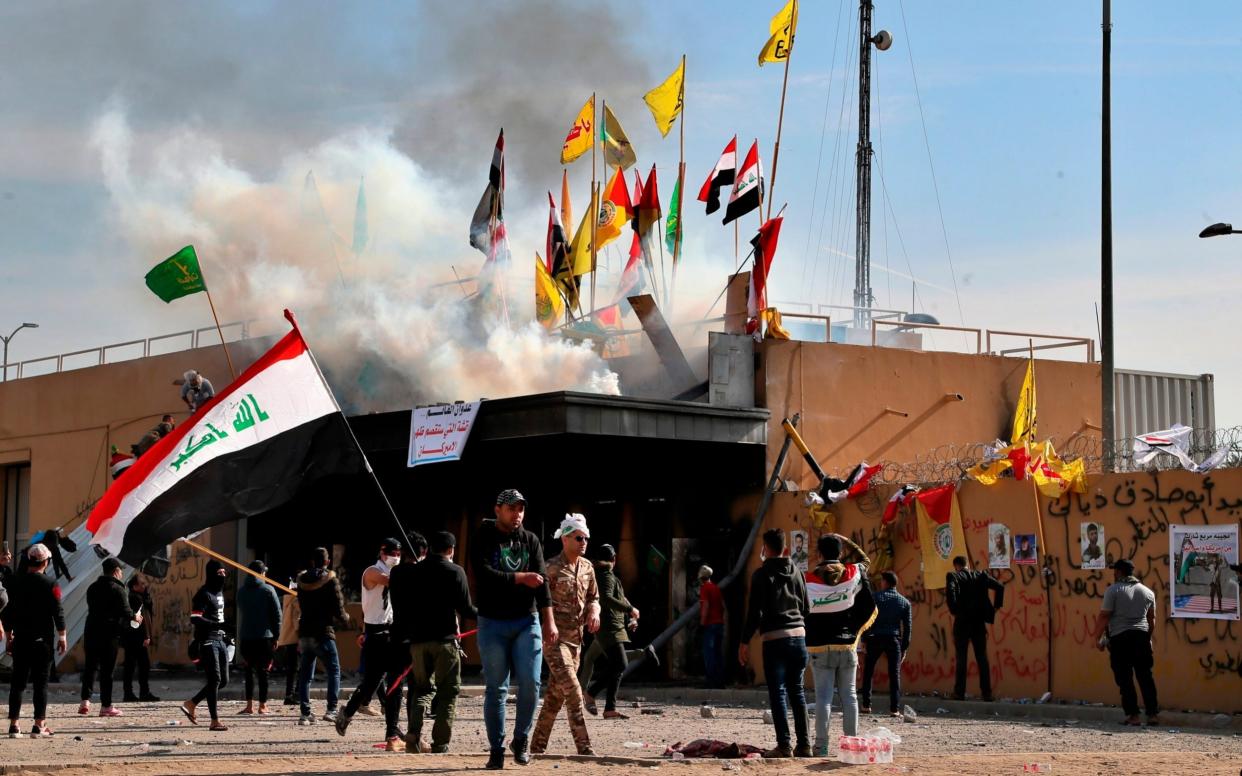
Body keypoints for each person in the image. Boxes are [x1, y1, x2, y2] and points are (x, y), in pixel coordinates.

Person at [471, 488, 556, 770]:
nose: (517, 514)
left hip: (526, 620)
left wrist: (549, 621)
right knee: (497, 689)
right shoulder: (483, 536)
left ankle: (521, 739)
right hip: (492, 622)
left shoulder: (530, 540)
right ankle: (496, 748)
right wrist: (521, 578)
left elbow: (542, 583)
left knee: (531, 684)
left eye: (521, 509)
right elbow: (484, 575)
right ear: (498, 510)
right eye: (512, 509)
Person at [399, 530, 476, 753]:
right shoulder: (456, 571)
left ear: (430, 548)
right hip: (445, 641)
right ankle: (440, 743)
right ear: (451, 550)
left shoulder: (414, 572)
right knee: (448, 692)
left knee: (422, 689)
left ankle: (414, 732)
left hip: (418, 642)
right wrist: (491, 615)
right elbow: (466, 609)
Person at [531, 514, 600, 756]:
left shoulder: (588, 568)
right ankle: (584, 747)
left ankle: (536, 747)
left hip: (576, 643)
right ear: (566, 539)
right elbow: (536, 601)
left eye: (586, 538)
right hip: (554, 641)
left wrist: (594, 610)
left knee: (554, 699)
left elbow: (594, 597)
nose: (584, 542)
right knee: (573, 690)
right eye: (579, 538)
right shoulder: (550, 568)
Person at [740, 528, 811, 759]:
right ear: (786, 548)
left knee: (778, 693)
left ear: (766, 548)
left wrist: (744, 642)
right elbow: (807, 608)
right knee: (797, 692)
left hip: (775, 640)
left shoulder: (761, 575)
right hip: (799, 638)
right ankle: (805, 745)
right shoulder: (798, 574)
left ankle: (784, 745)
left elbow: (753, 613)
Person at [805, 533, 876, 756]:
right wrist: (846, 539)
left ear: (818, 554)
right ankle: (852, 747)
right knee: (850, 697)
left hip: (819, 648)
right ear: (841, 552)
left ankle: (821, 747)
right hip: (847, 646)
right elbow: (866, 561)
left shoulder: (807, 580)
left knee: (823, 699)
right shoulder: (854, 573)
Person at [335, 538, 402, 749]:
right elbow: (394, 582)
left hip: (389, 630)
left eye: (400, 554)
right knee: (371, 683)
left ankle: (392, 732)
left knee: (395, 683)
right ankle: (347, 712)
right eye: (393, 554)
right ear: (383, 553)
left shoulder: (393, 573)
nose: (396, 558)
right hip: (376, 633)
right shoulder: (372, 572)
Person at [4, 544, 66, 738]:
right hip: (43, 642)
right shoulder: (51, 584)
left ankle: (14, 725)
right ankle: (39, 724)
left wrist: (8, 636)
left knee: (18, 683)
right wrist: (62, 635)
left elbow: (8, 612)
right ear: (45, 562)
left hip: (21, 639)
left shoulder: (14, 582)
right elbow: (58, 610)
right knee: (41, 683)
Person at [1098, 558, 1158, 726]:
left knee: (1125, 679)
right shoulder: (1148, 592)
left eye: (1115, 571)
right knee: (1146, 677)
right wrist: (1147, 637)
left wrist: (1097, 638)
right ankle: (1152, 714)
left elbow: (1104, 616)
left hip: (1120, 639)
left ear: (1119, 572)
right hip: (1141, 638)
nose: (1113, 573)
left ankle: (1133, 715)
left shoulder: (1113, 591)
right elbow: (1151, 619)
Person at [296, 547, 351, 725]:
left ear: (313, 561)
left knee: (305, 675)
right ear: (327, 562)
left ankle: (305, 714)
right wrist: (346, 619)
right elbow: (339, 608)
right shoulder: (330, 580)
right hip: (324, 632)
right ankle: (331, 710)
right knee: (334, 671)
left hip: (305, 632)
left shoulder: (302, 580)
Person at [583, 543, 639, 719]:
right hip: (609, 628)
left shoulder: (604, 574)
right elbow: (606, 598)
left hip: (613, 626)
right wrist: (629, 609)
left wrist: (629, 614)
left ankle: (609, 708)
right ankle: (591, 692)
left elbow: (617, 597)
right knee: (620, 664)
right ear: (613, 559)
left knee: (617, 668)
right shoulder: (605, 575)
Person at [79, 557, 141, 717]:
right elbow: (126, 612)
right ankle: (106, 706)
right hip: (109, 633)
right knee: (107, 670)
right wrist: (136, 617)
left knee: (90, 666)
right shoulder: (118, 589)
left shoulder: (92, 588)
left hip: (91, 630)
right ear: (116, 571)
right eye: (120, 570)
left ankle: (85, 700)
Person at [945, 556, 1005, 701]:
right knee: (982, 658)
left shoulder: (955, 576)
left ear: (956, 566)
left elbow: (951, 590)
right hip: (978, 623)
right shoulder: (980, 575)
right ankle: (987, 693)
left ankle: (959, 693)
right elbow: (1000, 586)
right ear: (967, 565)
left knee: (961, 658)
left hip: (962, 622)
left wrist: (954, 609)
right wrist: (995, 608)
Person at [181, 560, 230, 731]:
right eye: (219, 573)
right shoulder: (203, 593)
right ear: (211, 574)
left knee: (223, 680)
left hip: (220, 639)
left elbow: (219, 616)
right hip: (208, 640)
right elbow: (195, 618)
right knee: (214, 679)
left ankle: (192, 703)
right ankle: (214, 721)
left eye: (224, 573)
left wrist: (225, 633)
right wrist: (212, 624)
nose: (223, 576)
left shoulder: (219, 592)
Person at [860, 571, 911, 717]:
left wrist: (864, 639)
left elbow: (867, 620)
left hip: (875, 638)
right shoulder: (904, 602)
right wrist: (904, 647)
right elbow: (907, 627)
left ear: (884, 582)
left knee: (869, 671)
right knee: (894, 674)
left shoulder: (875, 598)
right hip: (893, 639)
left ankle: (866, 705)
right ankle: (894, 709)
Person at [237, 559, 282, 716]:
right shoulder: (268, 590)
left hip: (247, 637)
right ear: (262, 573)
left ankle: (249, 705)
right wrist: (277, 636)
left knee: (248, 671)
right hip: (265, 638)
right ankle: (262, 706)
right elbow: (277, 615)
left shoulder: (241, 591)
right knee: (263, 672)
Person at [122, 574, 158, 702]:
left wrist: (146, 594)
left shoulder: (140, 597)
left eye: (144, 583)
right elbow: (140, 620)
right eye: (141, 584)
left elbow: (148, 612)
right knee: (137, 665)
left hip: (135, 637)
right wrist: (146, 636)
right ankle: (134, 693)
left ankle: (137, 692)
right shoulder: (134, 598)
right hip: (135, 637)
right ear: (134, 586)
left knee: (138, 665)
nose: (144, 586)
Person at [699, 564, 726, 688]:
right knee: (717, 653)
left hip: (710, 625)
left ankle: (710, 681)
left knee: (709, 654)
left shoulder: (705, 588)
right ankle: (720, 681)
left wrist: (702, 623)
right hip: (719, 624)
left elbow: (706, 606)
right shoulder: (716, 588)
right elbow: (722, 606)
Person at [276, 582, 301, 706]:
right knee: (299, 668)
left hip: (289, 639)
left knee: (291, 669)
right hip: (296, 640)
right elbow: (297, 622)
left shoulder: (287, 600)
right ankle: (295, 695)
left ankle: (289, 694)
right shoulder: (296, 601)